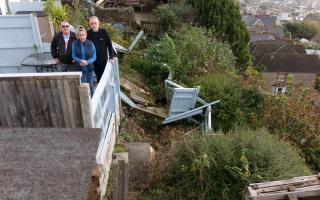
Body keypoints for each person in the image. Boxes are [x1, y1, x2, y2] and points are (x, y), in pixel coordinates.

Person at [87, 16, 114, 83]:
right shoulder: (88, 33)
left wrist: (111, 57)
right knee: (98, 76)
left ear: (98, 23)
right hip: (93, 60)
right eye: (92, 23)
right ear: (90, 24)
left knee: (102, 77)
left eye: (95, 23)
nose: (94, 25)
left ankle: (102, 90)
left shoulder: (103, 32)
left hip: (103, 59)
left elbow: (109, 45)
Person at [72, 27, 96, 97]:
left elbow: (94, 56)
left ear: (86, 35)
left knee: (90, 84)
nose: (82, 37)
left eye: (83, 35)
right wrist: (81, 61)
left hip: (89, 67)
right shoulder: (75, 44)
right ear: (78, 36)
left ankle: (92, 98)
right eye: (80, 35)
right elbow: (73, 56)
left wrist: (87, 62)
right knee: (82, 85)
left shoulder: (91, 43)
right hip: (79, 68)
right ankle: (85, 99)